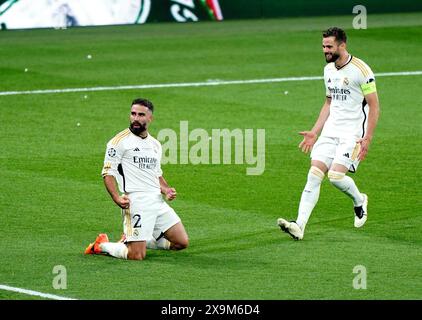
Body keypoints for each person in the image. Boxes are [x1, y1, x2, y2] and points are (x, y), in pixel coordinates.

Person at [277, 27, 380, 240]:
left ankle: (359, 199)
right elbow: (328, 102)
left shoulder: (361, 70)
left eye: (329, 46)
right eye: (323, 46)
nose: (325, 50)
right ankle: (299, 225)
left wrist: (368, 138)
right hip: (331, 130)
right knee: (314, 174)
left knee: (335, 176)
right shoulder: (329, 70)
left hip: (353, 133)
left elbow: (375, 106)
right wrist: (315, 132)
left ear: (342, 45)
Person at [85, 98, 189, 259]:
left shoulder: (155, 144)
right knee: (136, 255)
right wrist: (116, 198)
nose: (135, 118)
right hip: (136, 201)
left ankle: (138, 238)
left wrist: (166, 189)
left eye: (141, 115)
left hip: (156, 201)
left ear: (150, 118)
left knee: (181, 243)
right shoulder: (118, 142)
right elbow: (107, 173)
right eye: (133, 114)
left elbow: (156, 173)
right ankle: (101, 245)